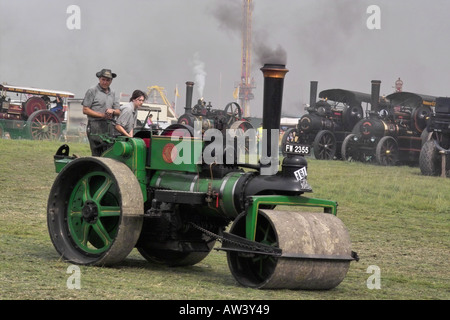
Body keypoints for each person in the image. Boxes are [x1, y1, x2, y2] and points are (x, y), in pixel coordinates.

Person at [82, 69, 120, 156]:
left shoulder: (113, 93)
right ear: (99, 79)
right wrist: (102, 115)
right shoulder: (92, 91)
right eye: (103, 79)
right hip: (95, 125)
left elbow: (118, 112)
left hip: (109, 126)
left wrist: (112, 111)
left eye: (107, 80)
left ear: (111, 81)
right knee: (97, 153)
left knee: (109, 153)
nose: (105, 82)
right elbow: (85, 110)